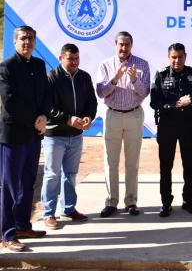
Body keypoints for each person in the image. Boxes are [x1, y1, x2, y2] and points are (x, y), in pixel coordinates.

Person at [0, 26, 51, 252]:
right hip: (13, 135)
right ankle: (7, 233)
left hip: (34, 135)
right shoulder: (6, 67)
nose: (27, 42)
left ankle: (22, 225)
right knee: (9, 185)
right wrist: (34, 120)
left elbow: (46, 95)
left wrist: (44, 116)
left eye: (31, 38)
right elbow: (10, 102)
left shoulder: (39, 66)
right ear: (15, 42)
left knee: (27, 183)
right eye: (23, 38)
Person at [41, 43, 97, 229]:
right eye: (70, 58)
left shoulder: (84, 77)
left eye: (76, 58)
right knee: (52, 175)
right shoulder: (51, 78)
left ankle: (69, 208)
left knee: (70, 174)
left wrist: (89, 117)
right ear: (60, 58)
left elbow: (92, 101)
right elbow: (47, 107)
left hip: (76, 135)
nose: (74, 62)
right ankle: (48, 214)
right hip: (55, 135)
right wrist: (67, 119)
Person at [96, 31, 150, 217]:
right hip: (113, 116)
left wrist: (134, 79)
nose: (124, 48)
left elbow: (144, 93)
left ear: (131, 45)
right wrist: (115, 79)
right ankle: (111, 202)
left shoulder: (142, 64)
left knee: (132, 162)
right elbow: (101, 93)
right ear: (115, 45)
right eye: (121, 44)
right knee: (111, 161)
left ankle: (131, 201)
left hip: (134, 115)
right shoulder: (105, 65)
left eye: (127, 45)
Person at [150, 43, 192, 217]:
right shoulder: (160, 74)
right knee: (165, 166)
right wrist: (174, 104)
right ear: (169, 57)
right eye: (174, 57)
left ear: (185, 57)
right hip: (167, 125)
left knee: (189, 165)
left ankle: (188, 201)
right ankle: (166, 203)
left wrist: (191, 100)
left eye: (180, 57)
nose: (177, 60)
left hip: (189, 125)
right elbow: (154, 102)